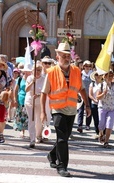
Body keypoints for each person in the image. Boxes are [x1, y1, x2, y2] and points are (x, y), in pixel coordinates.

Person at [40, 42, 91, 177]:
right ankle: (62, 166)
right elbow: (44, 93)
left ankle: (52, 155)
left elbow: (82, 89)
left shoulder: (76, 71)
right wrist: (42, 112)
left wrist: (87, 105)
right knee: (62, 139)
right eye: (63, 56)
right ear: (57, 57)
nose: (66, 58)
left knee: (64, 138)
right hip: (57, 110)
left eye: (68, 55)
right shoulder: (51, 72)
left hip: (72, 110)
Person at [96, 70, 114, 148]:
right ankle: (101, 134)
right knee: (101, 124)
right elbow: (97, 97)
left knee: (109, 124)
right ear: (104, 77)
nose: (110, 77)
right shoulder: (101, 85)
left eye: (111, 75)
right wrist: (104, 93)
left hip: (112, 108)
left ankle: (106, 141)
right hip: (102, 107)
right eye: (108, 75)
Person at [25, 62, 45, 148]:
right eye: (36, 70)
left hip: (39, 101)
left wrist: (39, 95)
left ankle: (38, 135)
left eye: (39, 70)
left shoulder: (44, 79)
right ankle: (32, 139)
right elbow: (26, 89)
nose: (37, 72)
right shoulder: (29, 78)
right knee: (31, 120)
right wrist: (32, 82)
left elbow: (46, 92)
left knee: (39, 120)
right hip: (30, 101)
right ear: (33, 70)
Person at [77, 60, 93, 132]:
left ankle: (87, 124)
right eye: (86, 66)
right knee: (80, 110)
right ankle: (79, 125)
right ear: (83, 66)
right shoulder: (80, 74)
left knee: (89, 109)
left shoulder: (92, 74)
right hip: (81, 94)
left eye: (89, 66)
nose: (87, 67)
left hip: (89, 94)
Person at [89, 71, 103, 137]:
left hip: (103, 104)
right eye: (97, 75)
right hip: (94, 104)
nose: (98, 76)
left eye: (100, 75)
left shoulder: (104, 84)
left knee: (102, 119)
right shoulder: (92, 84)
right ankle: (98, 133)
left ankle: (103, 133)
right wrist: (94, 100)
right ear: (94, 76)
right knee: (96, 119)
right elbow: (90, 94)